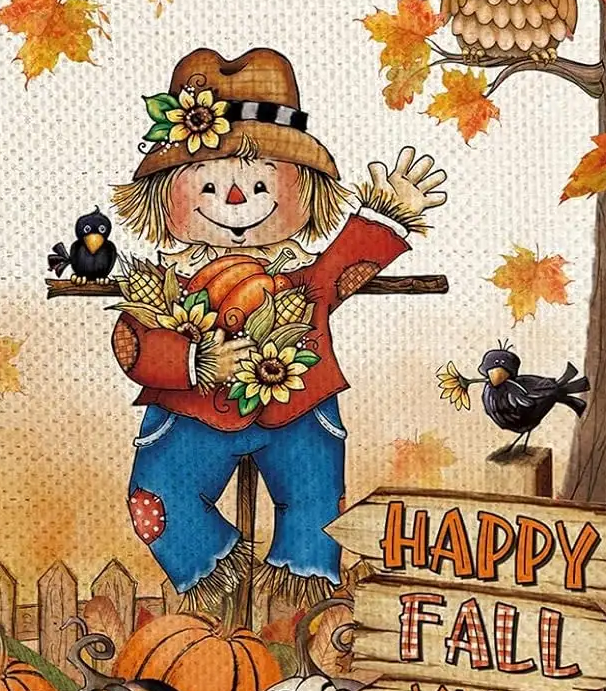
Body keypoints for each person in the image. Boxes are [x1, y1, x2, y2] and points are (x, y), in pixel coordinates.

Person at [108, 45, 446, 617]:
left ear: (303, 194)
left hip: (298, 410)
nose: (236, 203)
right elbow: (133, 340)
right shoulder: (167, 287)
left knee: (315, 501)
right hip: (194, 414)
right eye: (208, 188)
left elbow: (341, 271)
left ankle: (303, 588)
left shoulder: (301, 283)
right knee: (155, 500)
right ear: (165, 202)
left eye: (262, 188)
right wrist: (196, 362)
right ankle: (214, 566)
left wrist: (386, 216)